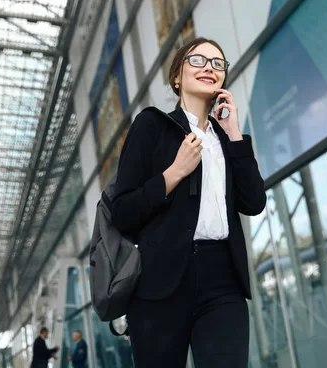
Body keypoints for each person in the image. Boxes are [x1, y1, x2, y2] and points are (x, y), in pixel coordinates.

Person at [112, 37, 266, 368]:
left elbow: (254, 202)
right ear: (177, 76)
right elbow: (122, 212)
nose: (209, 67)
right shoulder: (152, 125)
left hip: (223, 281)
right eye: (198, 60)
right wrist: (175, 173)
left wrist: (235, 133)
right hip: (159, 284)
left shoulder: (227, 140)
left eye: (217, 63)